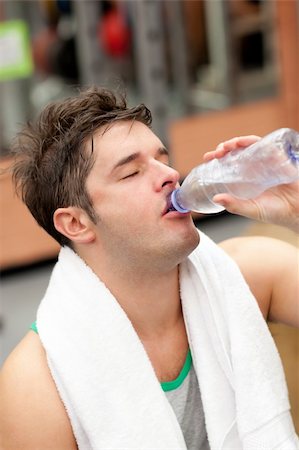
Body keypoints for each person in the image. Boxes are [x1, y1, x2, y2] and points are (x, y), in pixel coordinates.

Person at [0, 86, 298, 450]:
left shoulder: (249, 273)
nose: (170, 174)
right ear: (76, 224)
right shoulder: (35, 385)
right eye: (131, 173)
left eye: (162, 158)